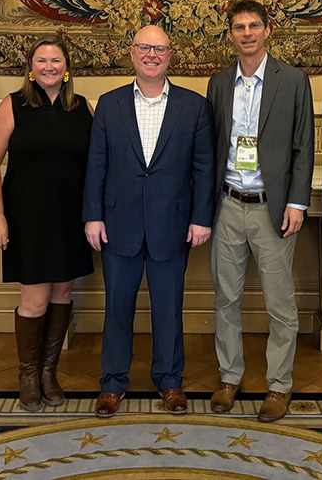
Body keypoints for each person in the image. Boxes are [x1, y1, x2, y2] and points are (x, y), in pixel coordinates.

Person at [82, 25, 215, 418]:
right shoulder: (109, 103)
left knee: (168, 308)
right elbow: (97, 165)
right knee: (117, 307)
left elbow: (204, 168)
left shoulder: (194, 106)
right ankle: (112, 384)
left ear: (171, 55)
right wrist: (92, 215)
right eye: (145, 47)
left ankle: (170, 381)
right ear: (132, 52)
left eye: (160, 48)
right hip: (117, 223)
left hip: (172, 225)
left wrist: (201, 218)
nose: (152, 54)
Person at [206, 0, 314, 423]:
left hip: (273, 207)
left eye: (254, 26)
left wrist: (297, 202)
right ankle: (230, 377)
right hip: (229, 205)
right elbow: (211, 148)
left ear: (268, 31)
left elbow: (303, 144)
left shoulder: (293, 80)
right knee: (225, 298)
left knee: (280, 303)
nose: (247, 33)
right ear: (230, 35)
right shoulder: (218, 84)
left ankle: (278, 386)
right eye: (239, 27)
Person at [0, 36, 95, 411]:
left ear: (67, 69)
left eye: (57, 60)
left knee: (62, 294)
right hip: (26, 218)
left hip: (70, 219)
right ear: (31, 67)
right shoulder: (12, 106)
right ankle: (28, 374)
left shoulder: (84, 109)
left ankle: (49, 372)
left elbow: (98, 167)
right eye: (42, 60)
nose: (49, 66)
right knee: (34, 302)